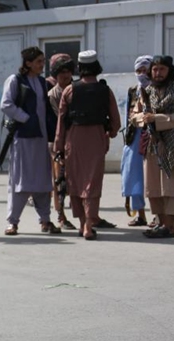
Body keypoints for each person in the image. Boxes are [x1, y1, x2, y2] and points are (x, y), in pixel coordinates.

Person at [54, 50, 121, 240]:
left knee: (75, 181)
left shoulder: (69, 90)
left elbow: (61, 123)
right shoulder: (105, 91)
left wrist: (58, 147)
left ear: (80, 68)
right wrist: (109, 133)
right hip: (96, 139)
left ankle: (82, 223)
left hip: (74, 139)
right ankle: (89, 226)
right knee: (93, 182)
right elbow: (115, 121)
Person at [0, 47, 61, 236]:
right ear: (28, 63)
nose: (42, 65)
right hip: (23, 139)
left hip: (41, 139)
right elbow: (6, 104)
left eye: (43, 61)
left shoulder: (42, 83)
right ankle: (13, 222)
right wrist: (25, 118)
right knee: (20, 181)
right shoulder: (15, 80)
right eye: (38, 62)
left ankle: (45, 220)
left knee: (43, 181)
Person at [131, 55, 174, 238]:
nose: (158, 73)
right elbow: (135, 116)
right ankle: (161, 223)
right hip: (152, 143)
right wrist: (144, 118)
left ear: (169, 71)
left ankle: (170, 226)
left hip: (173, 143)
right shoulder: (146, 92)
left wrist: (156, 119)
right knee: (153, 185)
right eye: (155, 69)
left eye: (162, 69)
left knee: (171, 185)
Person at [46, 53, 77, 230]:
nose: (65, 76)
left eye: (68, 71)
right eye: (61, 72)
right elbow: (58, 120)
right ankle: (61, 215)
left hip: (77, 142)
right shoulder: (52, 95)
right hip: (58, 142)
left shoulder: (77, 90)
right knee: (59, 181)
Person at [121, 55, 152, 227]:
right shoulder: (133, 90)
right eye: (138, 71)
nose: (141, 74)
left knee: (153, 176)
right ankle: (140, 214)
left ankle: (158, 215)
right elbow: (128, 114)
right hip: (135, 137)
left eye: (144, 70)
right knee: (134, 175)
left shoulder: (157, 89)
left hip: (153, 136)